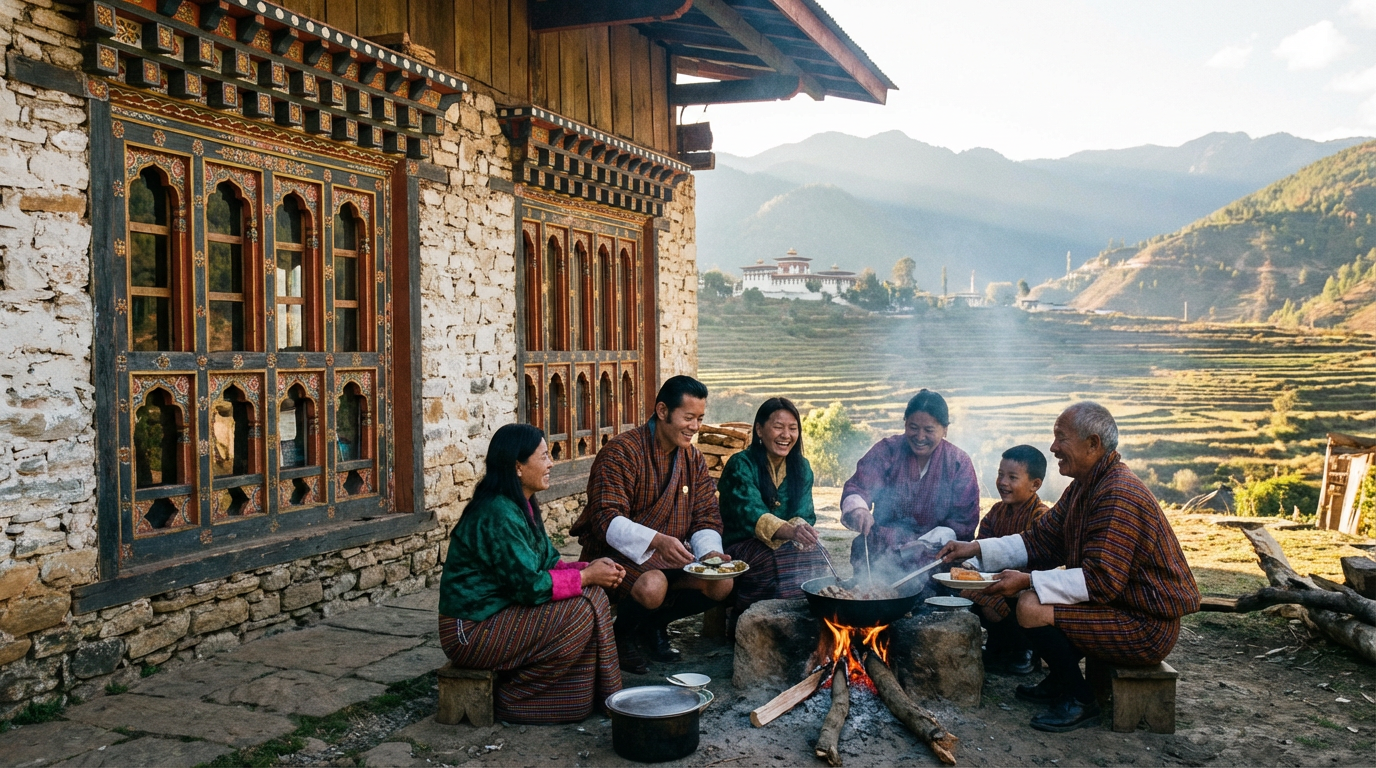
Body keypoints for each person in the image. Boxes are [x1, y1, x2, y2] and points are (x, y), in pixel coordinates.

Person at [939, 402, 1200, 733]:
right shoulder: (1084, 487)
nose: (1053, 448)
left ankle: (1080, 697)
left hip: (1144, 625)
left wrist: (1026, 581)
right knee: (1030, 599)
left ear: (1092, 444)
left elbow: (1100, 582)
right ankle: (1061, 680)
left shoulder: (1118, 493)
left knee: (1031, 606)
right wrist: (975, 547)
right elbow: (1039, 540)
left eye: (1061, 438)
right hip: (1115, 609)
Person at [438, 423, 626, 724]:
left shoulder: (521, 505)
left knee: (593, 595)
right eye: (544, 456)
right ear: (518, 467)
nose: (551, 463)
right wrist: (587, 577)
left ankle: (581, 695)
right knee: (580, 610)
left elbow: (549, 562)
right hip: (469, 631)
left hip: (501, 614)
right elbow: (530, 587)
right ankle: (512, 697)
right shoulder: (497, 512)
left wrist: (591, 569)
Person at [571, 375, 734, 674]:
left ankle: (654, 625)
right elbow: (606, 518)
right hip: (616, 554)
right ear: (662, 411)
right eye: (688, 418)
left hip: (670, 554)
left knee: (722, 582)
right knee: (653, 585)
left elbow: (706, 515)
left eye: (700, 419)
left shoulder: (693, 460)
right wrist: (657, 541)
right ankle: (621, 637)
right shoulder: (621, 452)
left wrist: (709, 553)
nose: (695, 427)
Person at [841, 389, 980, 579]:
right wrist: (859, 510)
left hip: (933, 561)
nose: (920, 437)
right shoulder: (887, 450)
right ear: (905, 423)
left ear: (945, 430)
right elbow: (859, 486)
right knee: (869, 593)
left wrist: (921, 545)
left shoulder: (958, 463)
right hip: (879, 554)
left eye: (929, 430)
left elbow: (963, 522)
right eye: (913, 427)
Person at [718, 397, 827, 614]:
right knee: (769, 561)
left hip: (788, 542)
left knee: (817, 555)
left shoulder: (802, 467)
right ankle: (753, 618)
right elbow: (751, 512)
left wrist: (803, 533)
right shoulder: (741, 464)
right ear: (759, 430)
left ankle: (801, 616)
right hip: (742, 544)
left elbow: (804, 512)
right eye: (778, 427)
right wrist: (792, 532)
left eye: (792, 428)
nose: (786, 435)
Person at [967, 445, 1051, 675]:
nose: (1003, 482)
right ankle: (998, 647)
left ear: (1035, 484)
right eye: (1000, 474)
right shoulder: (996, 512)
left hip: (1026, 586)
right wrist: (969, 565)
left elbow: (1042, 561)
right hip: (994, 580)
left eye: (1012, 477)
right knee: (965, 590)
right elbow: (982, 545)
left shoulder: (1041, 516)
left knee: (998, 601)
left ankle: (1026, 649)